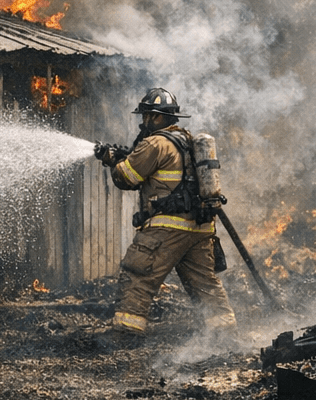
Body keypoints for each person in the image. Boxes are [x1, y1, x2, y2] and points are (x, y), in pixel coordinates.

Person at [98, 88, 237, 337]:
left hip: (166, 229)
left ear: (157, 117)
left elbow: (126, 177)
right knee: (205, 284)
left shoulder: (155, 143)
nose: (144, 122)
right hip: (200, 227)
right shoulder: (188, 141)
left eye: (148, 116)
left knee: (138, 276)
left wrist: (111, 161)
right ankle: (224, 334)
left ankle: (126, 333)